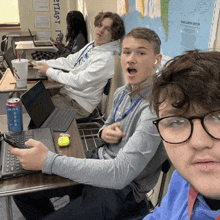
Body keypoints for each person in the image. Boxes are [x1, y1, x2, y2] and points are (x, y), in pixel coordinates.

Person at [11, 27, 167, 220]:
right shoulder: (122, 93)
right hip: (97, 163)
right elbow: (104, 128)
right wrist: (103, 133)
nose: (131, 58)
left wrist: (48, 161)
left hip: (120, 190)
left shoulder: (156, 109)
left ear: (156, 60)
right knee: (22, 193)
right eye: (126, 52)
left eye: (141, 52)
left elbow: (121, 173)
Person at [143, 49, 220, 220]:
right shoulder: (185, 177)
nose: (199, 142)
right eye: (176, 122)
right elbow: (163, 215)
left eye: (218, 117)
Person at [32, 11, 125, 119]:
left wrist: (49, 71)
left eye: (107, 29)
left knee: (39, 110)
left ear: (113, 37)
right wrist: (43, 63)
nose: (101, 30)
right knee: (36, 99)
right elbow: (70, 61)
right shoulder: (93, 45)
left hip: (79, 105)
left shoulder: (105, 60)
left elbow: (78, 81)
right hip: (69, 95)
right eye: (100, 25)